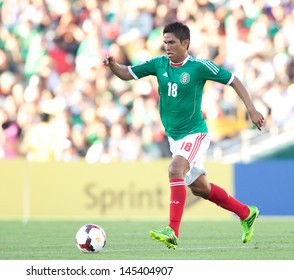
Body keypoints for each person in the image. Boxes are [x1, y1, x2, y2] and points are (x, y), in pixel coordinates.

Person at [102, 22, 265, 249]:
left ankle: (172, 230)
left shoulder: (199, 67)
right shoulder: (158, 64)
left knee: (174, 170)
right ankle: (246, 213)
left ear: (185, 43)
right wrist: (113, 65)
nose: (167, 47)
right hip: (174, 138)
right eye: (165, 42)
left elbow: (234, 80)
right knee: (201, 189)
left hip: (195, 133)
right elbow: (126, 74)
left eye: (171, 42)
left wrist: (252, 109)